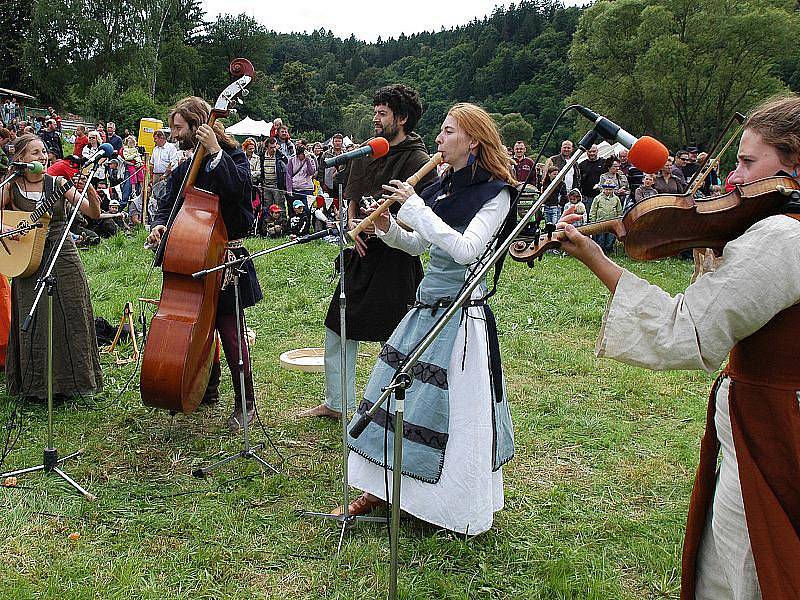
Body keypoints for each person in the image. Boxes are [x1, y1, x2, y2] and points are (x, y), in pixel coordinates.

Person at [556, 94, 800, 599]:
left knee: (745, 570)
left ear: (794, 161)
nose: (733, 179)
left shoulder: (782, 237)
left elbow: (682, 332)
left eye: (748, 162)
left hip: (777, 430)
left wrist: (597, 261)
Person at [340, 103, 516, 536]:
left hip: (459, 321)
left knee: (445, 413)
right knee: (394, 399)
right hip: (425, 310)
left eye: (448, 131)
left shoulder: (496, 193)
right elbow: (421, 245)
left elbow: (466, 249)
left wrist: (416, 207)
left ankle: (446, 506)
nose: (438, 139)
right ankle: (386, 489)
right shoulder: (445, 185)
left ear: (473, 140)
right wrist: (386, 229)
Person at [298, 84, 438, 420]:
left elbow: (424, 223)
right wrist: (351, 226)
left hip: (396, 261)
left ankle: (394, 409)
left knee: (397, 337)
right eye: (374, 112)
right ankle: (338, 403)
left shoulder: (419, 161)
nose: (375, 119)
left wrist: (387, 228)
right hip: (361, 255)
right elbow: (350, 202)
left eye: (382, 113)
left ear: (401, 118)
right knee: (338, 327)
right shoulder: (365, 153)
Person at [147, 97, 262, 430]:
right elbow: (169, 200)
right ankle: (204, 388)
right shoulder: (186, 166)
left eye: (178, 128)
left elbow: (239, 191)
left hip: (227, 258)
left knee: (230, 330)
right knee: (196, 327)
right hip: (192, 255)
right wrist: (160, 224)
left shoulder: (234, 157)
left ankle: (246, 403)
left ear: (198, 126)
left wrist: (215, 153)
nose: (173, 133)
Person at [2, 134, 103, 399]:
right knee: (32, 315)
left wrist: (89, 190)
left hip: (62, 251)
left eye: (44, 151)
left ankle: (75, 384)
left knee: (72, 310)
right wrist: (6, 228)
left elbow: (93, 213)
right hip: (27, 259)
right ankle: (35, 388)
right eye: (35, 153)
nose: (43, 157)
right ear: (21, 159)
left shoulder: (58, 183)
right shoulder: (11, 186)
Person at [588, 182, 622, 254]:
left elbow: (619, 211)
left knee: (610, 239)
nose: (608, 191)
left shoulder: (616, 199)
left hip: (612, 223)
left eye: (610, 189)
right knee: (600, 239)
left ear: (613, 190)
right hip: (600, 222)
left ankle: (608, 250)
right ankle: (601, 252)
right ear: (603, 189)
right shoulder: (598, 198)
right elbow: (593, 210)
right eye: (606, 189)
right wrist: (592, 221)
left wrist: (618, 221)